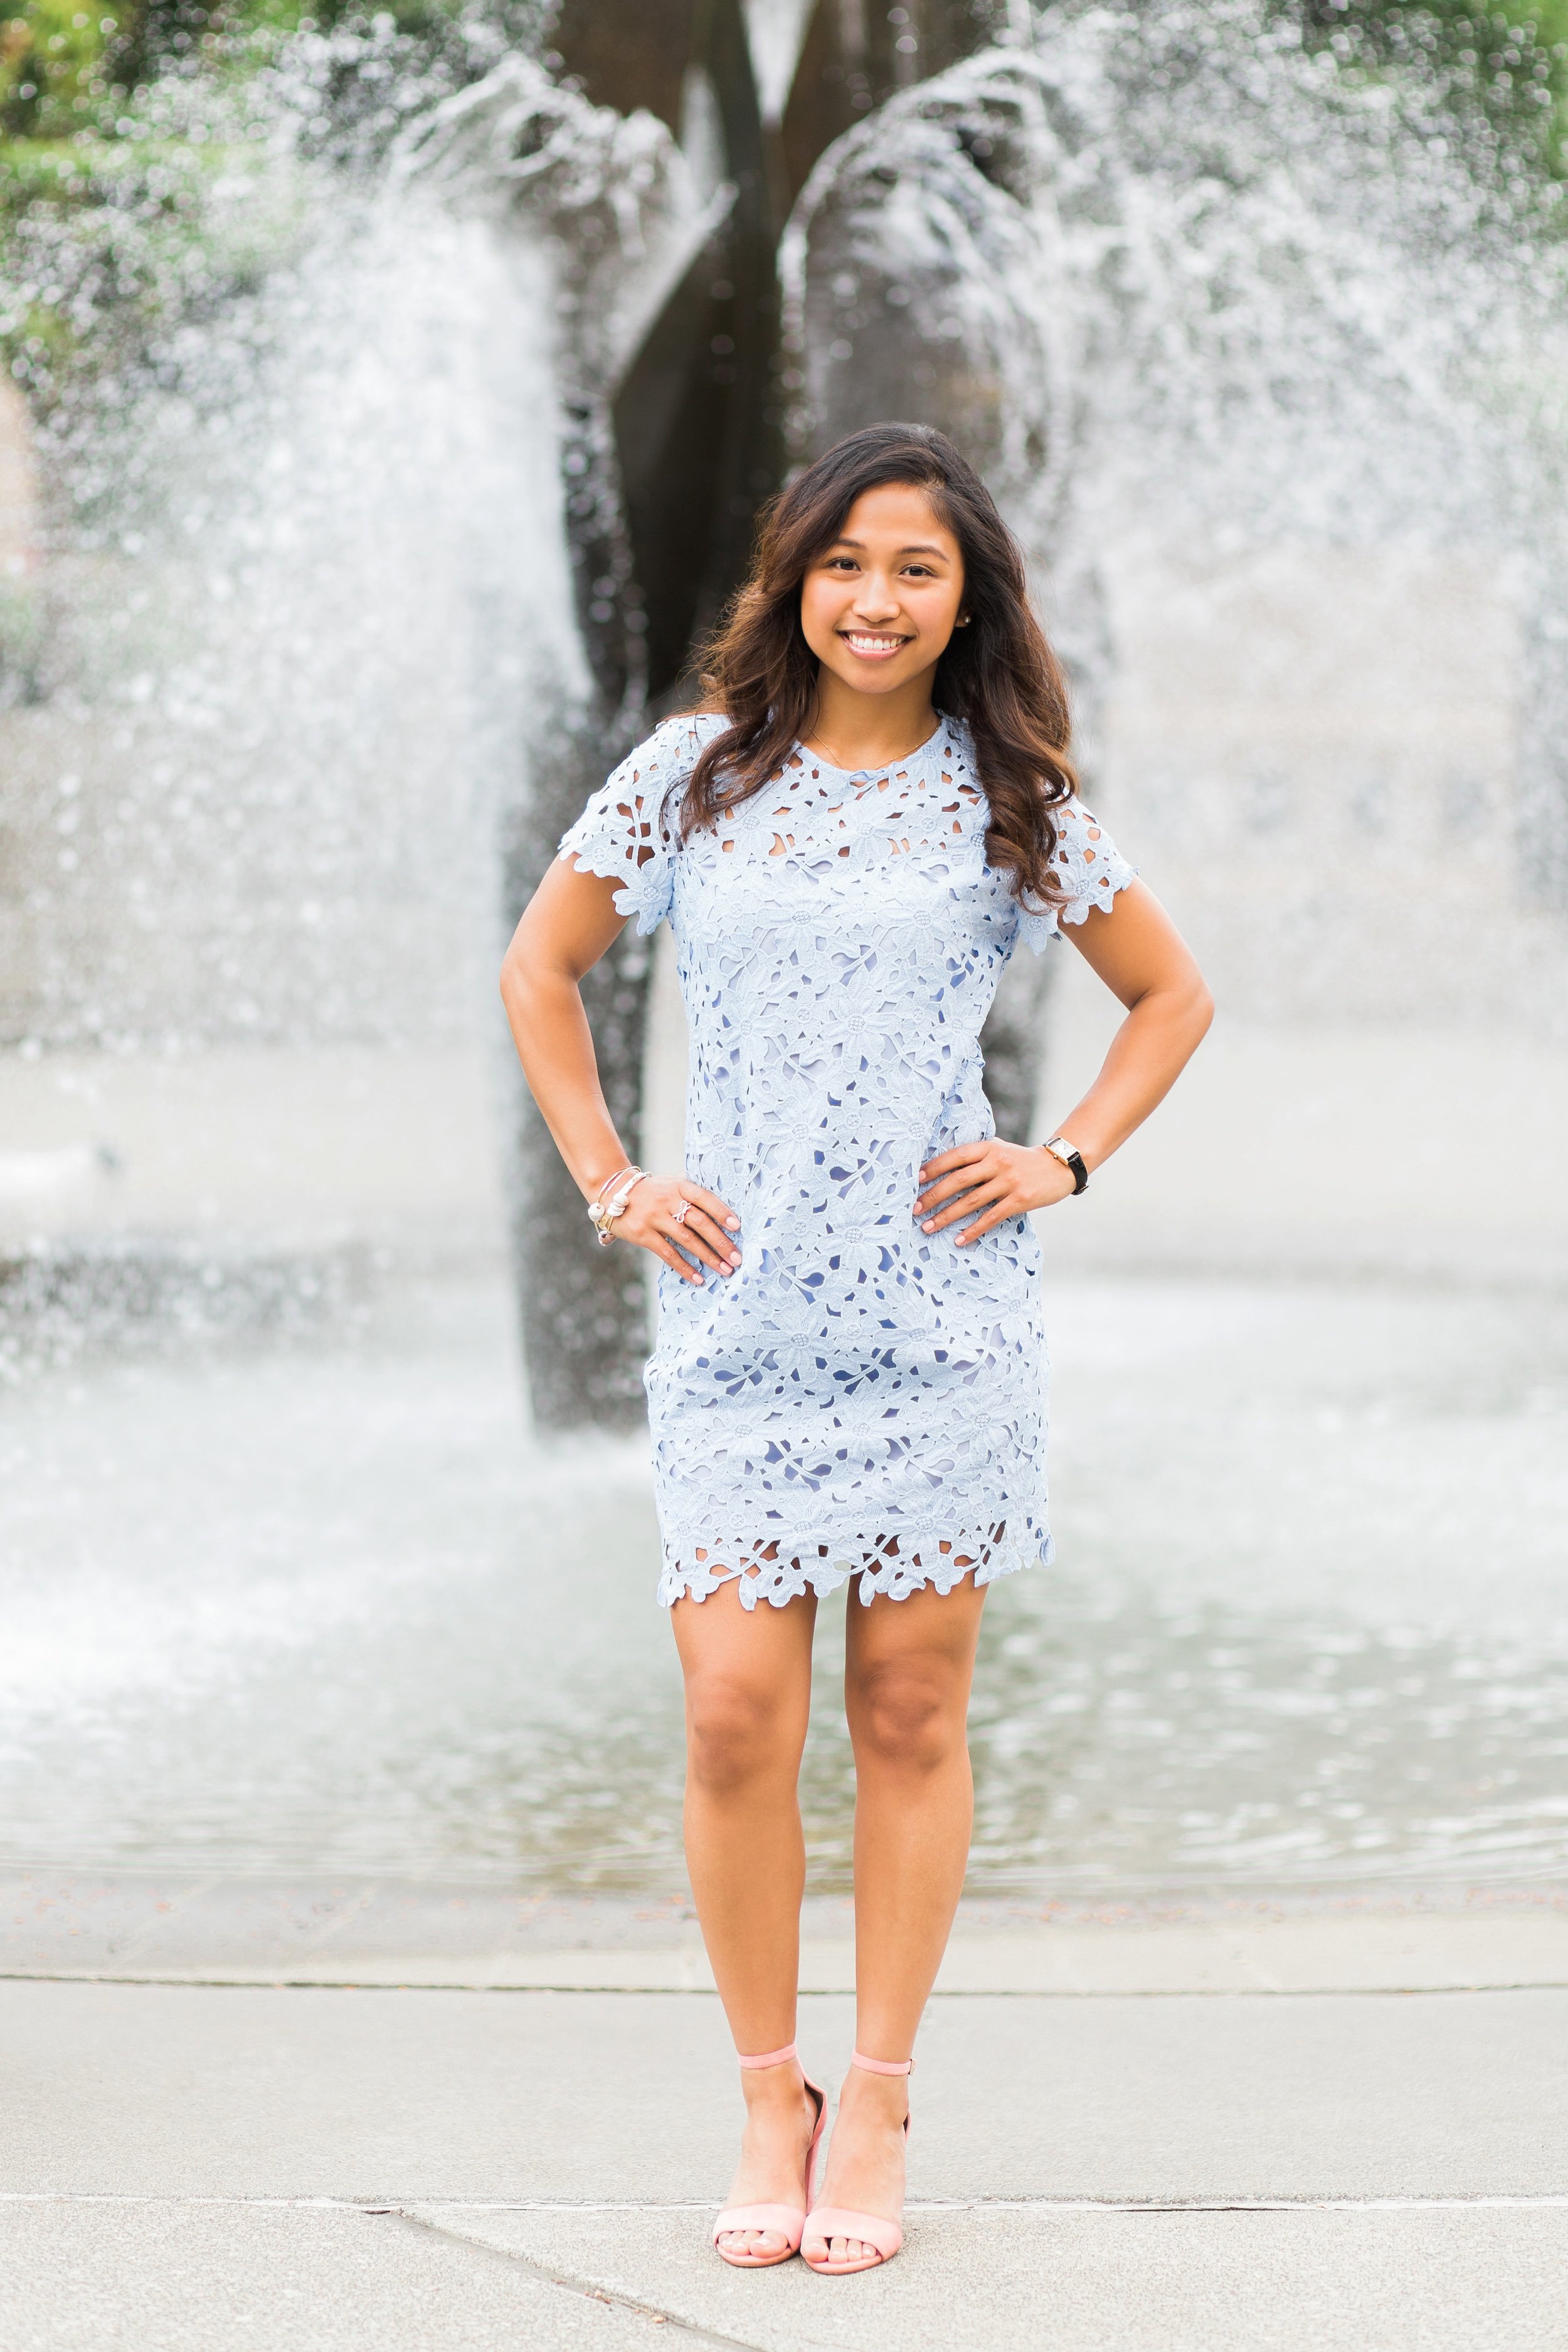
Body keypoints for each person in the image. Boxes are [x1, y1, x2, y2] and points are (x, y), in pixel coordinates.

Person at [499, 421, 1212, 2275]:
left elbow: (1170, 993)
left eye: (914, 567)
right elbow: (539, 966)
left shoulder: (1011, 799)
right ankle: (767, 2095)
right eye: (841, 562)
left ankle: (878, 2095)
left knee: (906, 1713)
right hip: (739, 1313)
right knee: (735, 1714)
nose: (873, 599)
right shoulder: (688, 779)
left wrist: (1062, 1158)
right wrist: (610, 1179)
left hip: (937, 1319)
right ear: (790, 579)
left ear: (962, 594)